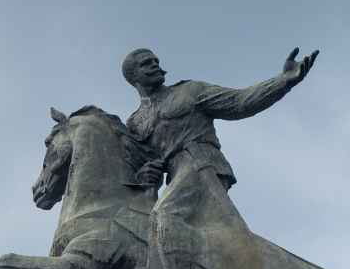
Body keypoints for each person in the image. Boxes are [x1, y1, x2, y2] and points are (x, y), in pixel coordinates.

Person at [122, 47, 319, 192]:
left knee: (167, 217)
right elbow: (138, 169)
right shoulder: (134, 123)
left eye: (156, 61)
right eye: (146, 63)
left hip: (203, 166)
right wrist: (144, 174)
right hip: (175, 178)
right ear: (133, 76)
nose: (155, 65)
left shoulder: (190, 90)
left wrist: (283, 80)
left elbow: (240, 102)